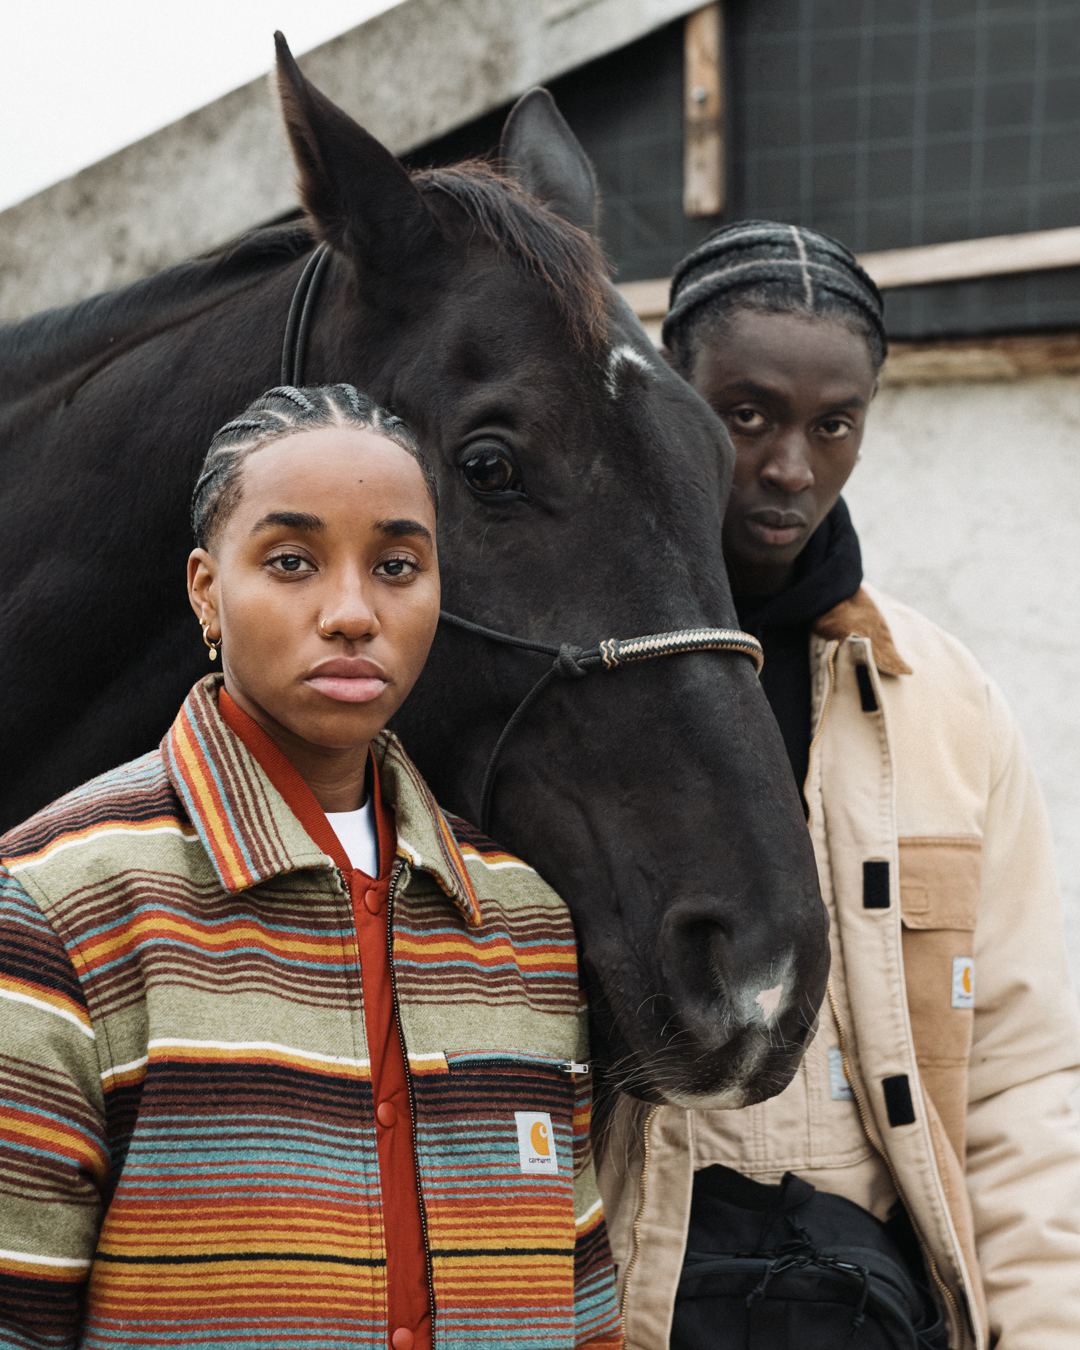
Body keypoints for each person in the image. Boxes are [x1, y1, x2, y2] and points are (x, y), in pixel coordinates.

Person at [0, 384, 622, 1350]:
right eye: (291, 561)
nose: (352, 613)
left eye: (397, 566)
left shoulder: (524, 920)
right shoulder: (59, 905)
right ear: (206, 590)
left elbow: (583, 1308)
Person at [598, 223, 1080, 1350]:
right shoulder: (577, 685)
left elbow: (1019, 1075)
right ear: (670, 393)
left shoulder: (944, 702)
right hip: (631, 1303)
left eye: (833, 424)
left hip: (878, 1308)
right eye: (747, 414)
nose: (790, 466)